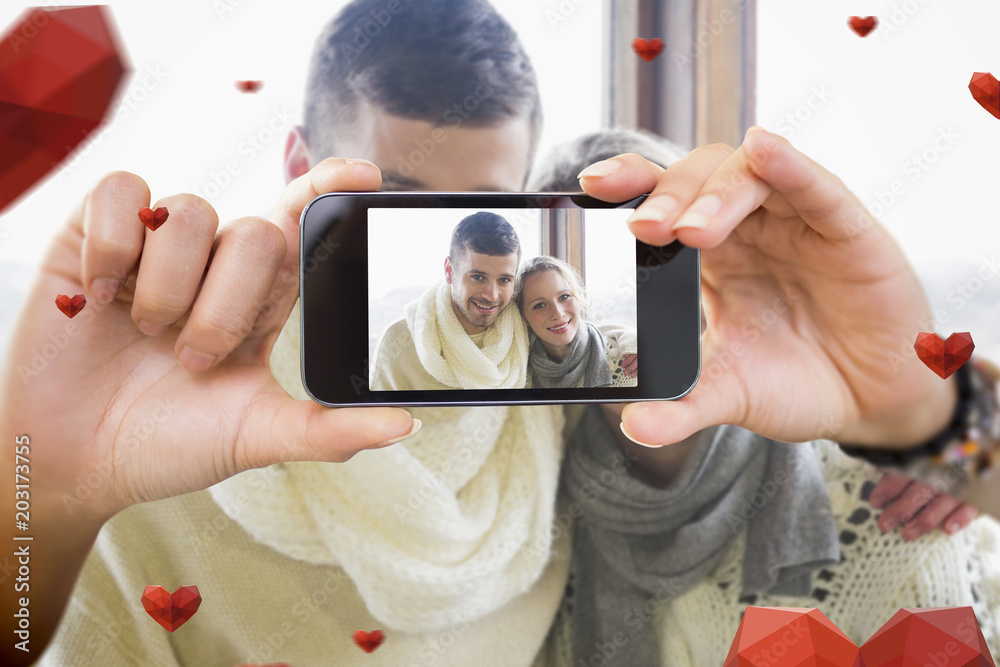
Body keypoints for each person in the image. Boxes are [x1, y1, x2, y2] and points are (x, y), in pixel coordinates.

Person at [1, 1, 996, 666]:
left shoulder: (565, 391)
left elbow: (954, 468)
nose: (475, 287)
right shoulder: (170, 432)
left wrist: (938, 422)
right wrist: (44, 484)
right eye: (396, 204)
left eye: (482, 214)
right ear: (299, 158)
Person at [524, 128, 1000, 666]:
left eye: (664, 266)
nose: (628, 329)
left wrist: (950, 437)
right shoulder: (531, 511)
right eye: (543, 306)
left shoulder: (886, 501)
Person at [370, 211, 529, 391]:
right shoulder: (398, 341)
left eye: (504, 280)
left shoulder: (526, 335)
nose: (491, 295)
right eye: (478, 277)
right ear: (449, 271)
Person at [513, 255, 638, 388]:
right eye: (539, 305)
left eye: (564, 296)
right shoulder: (519, 374)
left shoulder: (627, 361)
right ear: (523, 316)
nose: (558, 313)